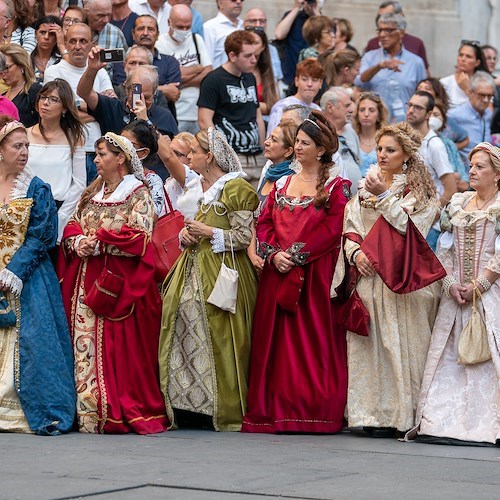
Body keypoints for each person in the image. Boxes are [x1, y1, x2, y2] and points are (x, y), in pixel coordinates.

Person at [242, 111, 350, 433]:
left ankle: (313, 410)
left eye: (305, 143)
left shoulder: (335, 186)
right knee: (275, 342)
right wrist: (274, 254)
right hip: (278, 272)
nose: (298, 147)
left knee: (311, 341)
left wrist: (297, 254)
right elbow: (263, 223)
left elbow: (333, 229)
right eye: (298, 142)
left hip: (315, 275)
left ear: (321, 149)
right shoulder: (280, 184)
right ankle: (273, 409)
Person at [334, 122, 441, 437]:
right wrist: (356, 255)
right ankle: (369, 414)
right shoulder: (365, 185)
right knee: (370, 346)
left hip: (401, 281)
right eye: (379, 148)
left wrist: (383, 196)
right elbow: (350, 225)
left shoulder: (418, 193)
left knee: (399, 345)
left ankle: (401, 415)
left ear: (406, 154)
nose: (382, 154)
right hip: (368, 278)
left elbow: (411, 231)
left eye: (390, 150)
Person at [58, 132, 169, 434]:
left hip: (119, 282)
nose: (96, 160)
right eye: (95, 154)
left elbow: (140, 237)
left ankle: (110, 407)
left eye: (102, 154)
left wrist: (101, 243)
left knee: (116, 346)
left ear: (120, 158)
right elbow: (73, 222)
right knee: (82, 343)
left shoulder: (138, 193)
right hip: (85, 279)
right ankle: (85, 409)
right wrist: (78, 240)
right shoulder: (94, 192)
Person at [159, 128, 259, 431]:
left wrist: (211, 232)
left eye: (194, 153)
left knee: (219, 331)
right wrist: (186, 233)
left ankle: (220, 405)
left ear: (210, 155)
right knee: (181, 326)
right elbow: (188, 227)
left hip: (223, 270)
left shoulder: (236, 188)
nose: (189, 159)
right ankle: (186, 404)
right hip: (191, 265)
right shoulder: (197, 188)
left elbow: (244, 236)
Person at [409, 143, 500, 446]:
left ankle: (486, 423)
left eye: (480, 167)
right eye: (471, 165)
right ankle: (440, 419)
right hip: (457, 292)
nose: (472, 171)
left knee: (488, 356)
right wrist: (450, 284)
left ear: (497, 174)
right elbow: (444, 251)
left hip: (489, 291)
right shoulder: (459, 202)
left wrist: (482, 284)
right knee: (449, 356)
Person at [0, 117, 76, 435]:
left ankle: (22, 408)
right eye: (17, 146)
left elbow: (43, 235)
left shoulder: (35, 187)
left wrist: (14, 271)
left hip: (28, 277)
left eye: (27, 146)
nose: (24, 152)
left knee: (33, 342)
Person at [44, 22, 115, 185]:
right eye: (72, 41)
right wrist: (97, 112)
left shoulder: (100, 71)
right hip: (66, 149)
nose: (77, 46)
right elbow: (56, 113)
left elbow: (111, 110)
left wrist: (72, 106)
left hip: (97, 151)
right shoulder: (54, 72)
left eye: (83, 41)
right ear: (66, 44)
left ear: (92, 44)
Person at [198, 30, 265, 186]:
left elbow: (257, 115)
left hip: (256, 155)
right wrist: (222, 154)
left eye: (255, 55)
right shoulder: (213, 79)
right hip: (232, 154)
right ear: (232, 56)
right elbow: (204, 120)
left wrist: (262, 149)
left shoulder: (250, 77)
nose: (254, 60)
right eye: (248, 56)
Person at [27, 79, 85, 245]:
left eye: (53, 99)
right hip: (27, 208)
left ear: (65, 108)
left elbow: (79, 184)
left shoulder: (75, 138)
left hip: (59, 208)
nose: (45, 103)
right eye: (43, 97)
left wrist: (60, 217)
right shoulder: (24, 135)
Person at [77, 49, 178, 137]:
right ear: (126, 89)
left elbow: (169, 154)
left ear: (154, 93)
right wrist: (92, 69)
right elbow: (84, 93)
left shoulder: (165, 116)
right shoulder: (113, 108)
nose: (140, 102)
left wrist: (145, 120)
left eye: (146, 97)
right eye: (136, 95)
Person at [355, 13, 426, 123]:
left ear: (401, 33)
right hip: (374, 125)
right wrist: (379, 66)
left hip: (405, 125)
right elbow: (360, 81)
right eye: (380, 30)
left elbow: (423, 96)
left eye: (388, 30)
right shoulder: (369, 57)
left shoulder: (416, 62)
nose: (382, 35)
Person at [247, 119, 298, 273]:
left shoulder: (292, 181)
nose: (266, 142)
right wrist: (251, 254)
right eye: (269, 137)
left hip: (276, 261)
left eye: (274, 140)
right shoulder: (268, 175)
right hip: (255, 257)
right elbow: (253, 220)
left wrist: (271, 255)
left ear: (288, 151)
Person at [155, 4, 212, 134]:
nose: (185, 30)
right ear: (169, 22)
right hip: (175, 113)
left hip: (197, 112)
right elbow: (165, 78)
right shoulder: (160, 44)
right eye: (180, 27)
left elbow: (208, 71)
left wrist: (180, 82)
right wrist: (197, 68)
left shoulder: (196, 39)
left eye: (188, 27)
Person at [112, 14, 181, 120]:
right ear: (133, 34)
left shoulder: (170, 62)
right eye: (140, 29)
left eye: (150, 29)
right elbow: (122, 89)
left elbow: (173, 93)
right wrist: (161, 89)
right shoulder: (120, 62)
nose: (145, 33)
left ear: (158, 35)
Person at [364, 1, 429, 74]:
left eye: (389, 15)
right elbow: (361, 77)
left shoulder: (416, 43)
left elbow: (424, 75)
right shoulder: (372, 44)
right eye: (379, 16)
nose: (383, 19)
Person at [266, 58, 324, 137]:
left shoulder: (318, 110)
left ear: (320, 83)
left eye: (314, 80)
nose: (309, 84)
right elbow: (271, 139)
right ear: (297, 81)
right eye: (304, 79)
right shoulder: (282, 106)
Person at [121, 119, 166, 217]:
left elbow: (152, 216)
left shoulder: (152, 180)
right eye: (120, 143)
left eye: (129, 145)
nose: (122, 149)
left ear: (144, 152)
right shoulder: (110, 175)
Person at [321, 86, 362, 192]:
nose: (351, 110)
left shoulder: (350, 130)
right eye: (346, 105)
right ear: (330, 107)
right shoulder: (319, 133)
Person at [448, 71, 495, 162]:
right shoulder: (454, 115)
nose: (485, 100)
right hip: (464, 171)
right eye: (481, 95)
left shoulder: (488, 114)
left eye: (489, 96)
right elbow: (445, 147)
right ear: (470, 92)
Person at [273, 0, 320, 87]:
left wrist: (316, 12)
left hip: (312, 79)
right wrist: (296, 7)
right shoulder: (293, 16)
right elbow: (279, 34)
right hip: (289, 76)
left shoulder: (320, 19)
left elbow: (325, 40)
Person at [416, 78, 470, 151]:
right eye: (419, 88)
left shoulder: (447, 121)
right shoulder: (412, 118)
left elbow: (465, 140)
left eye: (427, 88)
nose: (422, 91)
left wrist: (450, 148)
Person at [83, 0, 128, 79]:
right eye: (100, 15)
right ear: (86, 11)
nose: (106, 20)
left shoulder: (115, 34)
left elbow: (123, 67)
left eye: (109, 15)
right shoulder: (74, 32)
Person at [1, 44, 42, 127]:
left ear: (22, 66)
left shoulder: (34, 91)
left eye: (6, 68)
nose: (2, 73)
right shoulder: (3, 95)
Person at [440, 41, 488, 108]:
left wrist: (468, 89)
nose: (463, 59)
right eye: (461, 55)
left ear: (477, 62)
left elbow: (488, 114)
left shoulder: (483, 84)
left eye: (468, 56)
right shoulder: (444, 82)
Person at [351, 91, 389, 176]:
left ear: (379, 115)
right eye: (362, 110)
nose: (366, 114)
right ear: (357, 113)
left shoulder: (386, 139)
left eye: (371, 110)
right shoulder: (351, 137)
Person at [243, 8, 283, 86]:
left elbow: (277, 80)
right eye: (253, 21)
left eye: (262, 21)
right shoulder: (236, 47)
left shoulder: (272, 50)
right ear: (244, 23)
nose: (257, 25)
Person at [246, 27, 279, 121]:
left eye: (255, 43)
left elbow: (273, 106)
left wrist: (247, 105)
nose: (251, 47)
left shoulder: (266, 72)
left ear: (263, 46)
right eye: (248, 42)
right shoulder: (238, 71)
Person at [203, 0, 243, 69]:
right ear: (220, 3)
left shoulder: (244, 25)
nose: (238, 2)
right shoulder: (210, 27)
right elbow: (207, 62)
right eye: (233, 0)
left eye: (242, 0)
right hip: (220, 77)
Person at [31, 16, 65, 84]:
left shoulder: (62, 61)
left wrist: (61, 44)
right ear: (35, 34)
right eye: (42, 32)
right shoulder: (26, 59)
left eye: (51, 34)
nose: (46, 37)